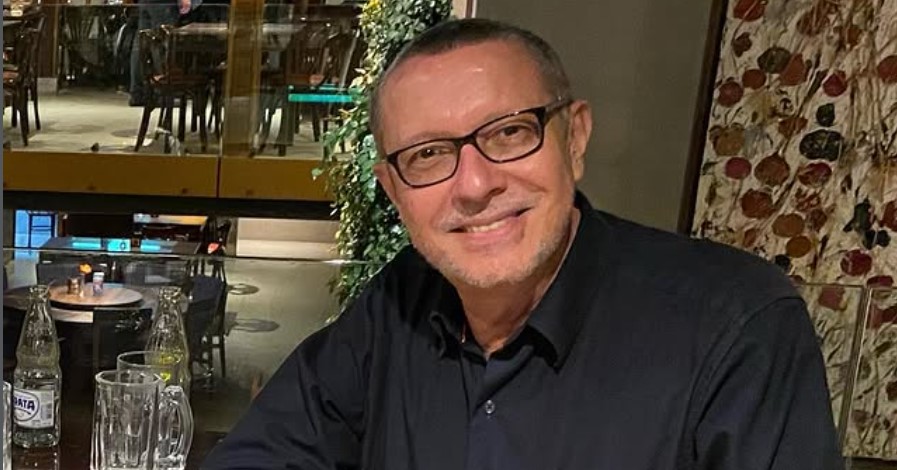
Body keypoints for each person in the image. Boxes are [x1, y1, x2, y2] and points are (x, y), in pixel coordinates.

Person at [202, 18, 843, 469]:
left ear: (575, 137)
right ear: (393, 190)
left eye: (509, 133)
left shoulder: (735, 326)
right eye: (428, 155)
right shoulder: (398, 306)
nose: (474, 184)